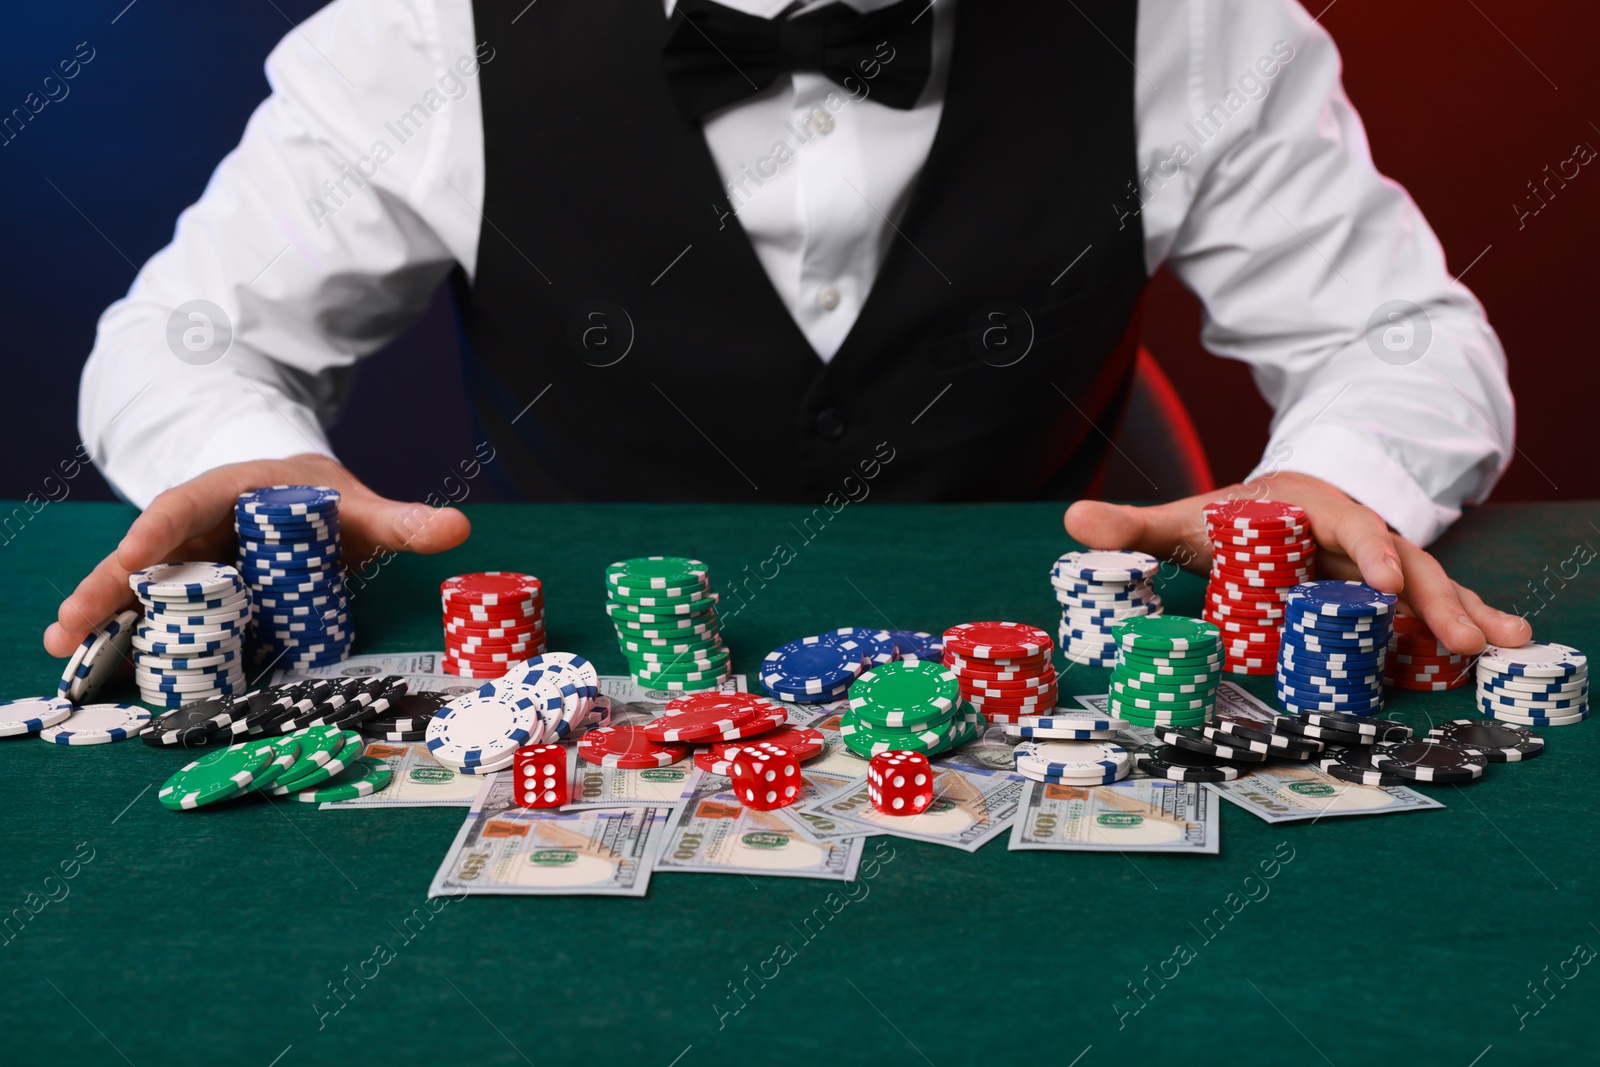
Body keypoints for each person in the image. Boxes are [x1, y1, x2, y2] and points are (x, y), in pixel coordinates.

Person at [47, 0, 1530, 661]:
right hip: (594, 676)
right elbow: (186, 343)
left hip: (1063, 668)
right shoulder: (429, 33)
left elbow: (1398, 339)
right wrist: (257, 471)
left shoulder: (1189, 20)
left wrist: (1325, 482)